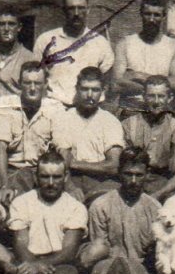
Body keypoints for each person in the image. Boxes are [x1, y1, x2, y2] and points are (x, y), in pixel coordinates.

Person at [0, 151, 88, 274]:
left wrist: (39, 265)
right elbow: (20, 243)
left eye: (56, 177)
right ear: (36, 177)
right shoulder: (22, 202)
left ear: (66, 177)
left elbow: (69, 251)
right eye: (45, 177)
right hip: (28, 259)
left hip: (59, 262)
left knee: (96, 249)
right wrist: (33, 264)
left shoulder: (76, 207)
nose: (51, 183)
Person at [0, 61, 64, 203]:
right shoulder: (5, 104)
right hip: (11, 172)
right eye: (27, 83)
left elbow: (63, 149)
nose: (32, 88)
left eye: (37, 83)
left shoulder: (55, 108)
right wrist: (4, 186)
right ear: (19, 84)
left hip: (42, 173)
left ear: (46, 84)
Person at [79, 147, 161, 272]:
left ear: (147, 174)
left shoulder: (155, 208)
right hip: (110, 269)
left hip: (142, 270)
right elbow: (100, 249)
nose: (133, 181)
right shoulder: (101, 205)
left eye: (139, 175)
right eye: (128, 174)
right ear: (119, 172)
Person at [53, 67, 125, 203]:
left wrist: (73, 163)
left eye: (95, 90)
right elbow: (63, 160)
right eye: (85, 89)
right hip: (71, 179)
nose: (90, 95)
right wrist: (70, 187)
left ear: (102, 91)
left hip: (101, 181)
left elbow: (113, 166)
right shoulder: (63, 118)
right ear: (77, 89)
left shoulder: (110, 121)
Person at [33, 0, 115, 107]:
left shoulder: (100, 43)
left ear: (88, 10)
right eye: (71, 8)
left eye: (81, 8)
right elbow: (36, 77)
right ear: (64, 11)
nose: (76, 13)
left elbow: (106, 83)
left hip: (87, 108)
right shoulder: (45, 40)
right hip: (54, 107)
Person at [121, 75, 175, 202]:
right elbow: (124, 166)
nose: (156, 101)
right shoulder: (128, 125)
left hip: (163, 185)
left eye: (161, 96)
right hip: (133, 182)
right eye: (151, 96)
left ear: (169, 98)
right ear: (144, 96)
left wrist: (158, 195)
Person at [111, 0, 175, 114]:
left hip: (160, 113)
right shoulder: (125, 44)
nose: (151, 19)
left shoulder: (174, 46)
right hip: (130, 112)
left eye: (156, 15)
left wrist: (138, 76)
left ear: (164, 16)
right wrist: (160, 86)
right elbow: (116, 85)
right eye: (147, 14)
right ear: (141, 14)